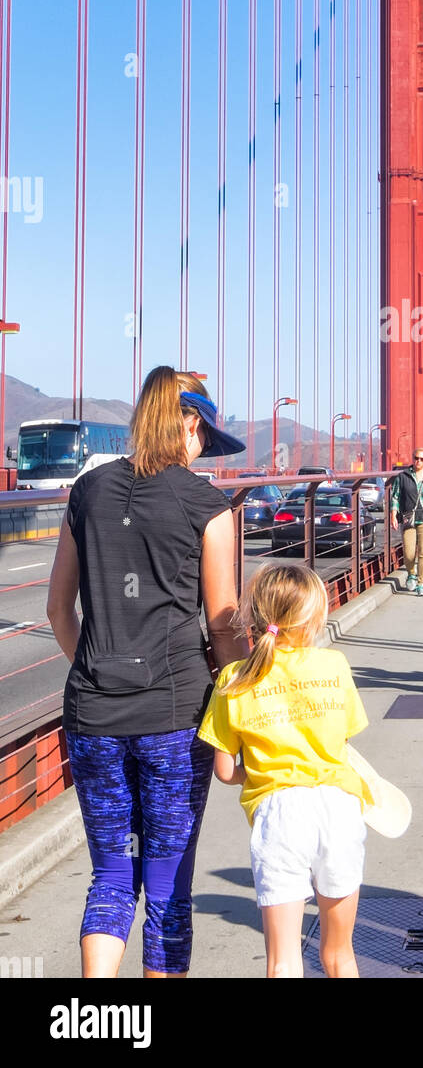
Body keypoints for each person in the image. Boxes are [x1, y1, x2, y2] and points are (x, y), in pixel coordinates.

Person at [46, 366, 249, 979]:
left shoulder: (87, 491)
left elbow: (58, 610)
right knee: (165, 885)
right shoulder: (208, 505)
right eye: (204, 438)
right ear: (187, 420)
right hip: (175, 715)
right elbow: (221, 623)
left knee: (110, 873)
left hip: (92, 713)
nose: (202, 451)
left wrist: (95, 666)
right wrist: (241, 707)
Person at [198, 563, 370, 978]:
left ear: (256, 616)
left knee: (283, 961)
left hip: (278, 815)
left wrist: (258, 771)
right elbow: (340, 745)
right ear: (313, 617)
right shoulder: (335, 666)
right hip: (338, 808)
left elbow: (224, 771)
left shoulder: (233, 679)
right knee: (339, 955)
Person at [390, 447, 423, 596]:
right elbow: (395, 496)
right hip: (408, 516)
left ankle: (421, 583)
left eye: (422, 459)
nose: (418, 461)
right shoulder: (402, 476)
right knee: (409, 552)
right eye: (416, 458)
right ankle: (411, 573)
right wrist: (393, 514)